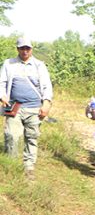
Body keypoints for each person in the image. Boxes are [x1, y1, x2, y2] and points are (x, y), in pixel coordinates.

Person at [0, 38, 53, 176]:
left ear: (31, 49)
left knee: (31, 136)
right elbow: (2, 83)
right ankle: (10, 165)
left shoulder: (39, 65)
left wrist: (46, 103)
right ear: (17, 49)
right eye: (22, 48)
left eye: (27, 48)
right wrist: (2, 96)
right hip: (14, 106)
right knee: (11, 135)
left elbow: (47, 86)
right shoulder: (9, 63)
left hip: (34, 107)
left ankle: (29, 167)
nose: (25, 51)